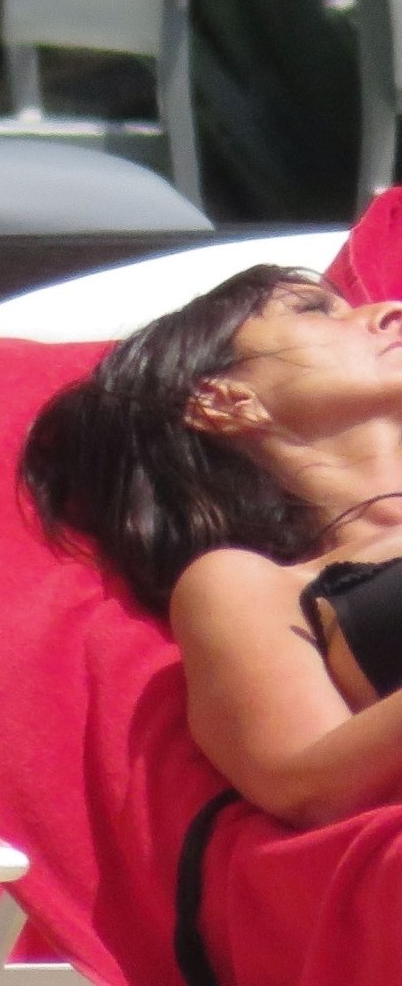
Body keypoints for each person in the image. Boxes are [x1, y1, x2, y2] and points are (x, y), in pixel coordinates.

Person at [21, 263, 402, 829]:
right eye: (314, 310)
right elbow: (301, 782)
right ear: (221, 400)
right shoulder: (249, 585)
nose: (391, 310)